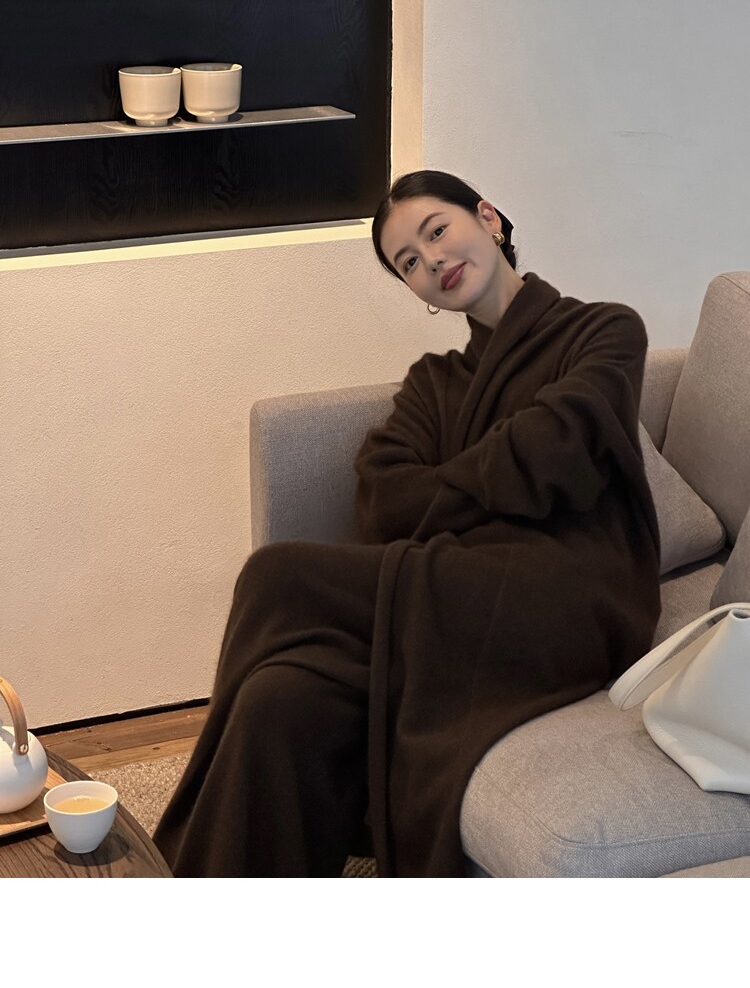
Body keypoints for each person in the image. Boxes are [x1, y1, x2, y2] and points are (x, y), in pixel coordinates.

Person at [153, 169, 661, 877]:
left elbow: (558, 452)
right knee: (281, 697)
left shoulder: (603, 329)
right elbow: (384, 502)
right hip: (458, 595)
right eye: (410, 262)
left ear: (489, 218)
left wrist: (446, 488)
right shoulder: (434, 383)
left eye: (437, 231)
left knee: (275, 575)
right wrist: (501, 476)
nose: (433, 261)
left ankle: (158, 879)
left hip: (572, 596)